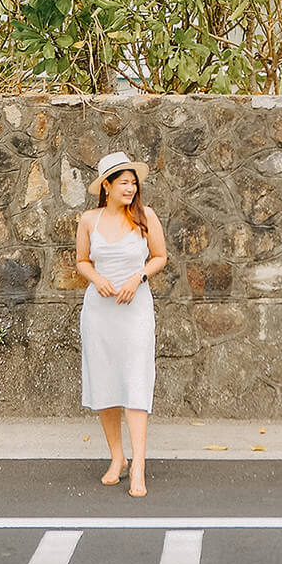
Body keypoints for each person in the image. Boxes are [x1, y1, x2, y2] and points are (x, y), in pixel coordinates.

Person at [75, 152, 167, 498]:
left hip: (135, 309)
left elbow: (160, 256)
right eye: (123, 182)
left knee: (135, 381)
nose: (130, 188)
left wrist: (138, 277)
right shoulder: (89, 220)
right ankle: (118, 457)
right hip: (99, 312)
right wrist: (97, 279)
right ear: (107, 186)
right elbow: (82, 261)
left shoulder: (146, 217)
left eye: (133, 182)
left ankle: (139, 464)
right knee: (105, 383)